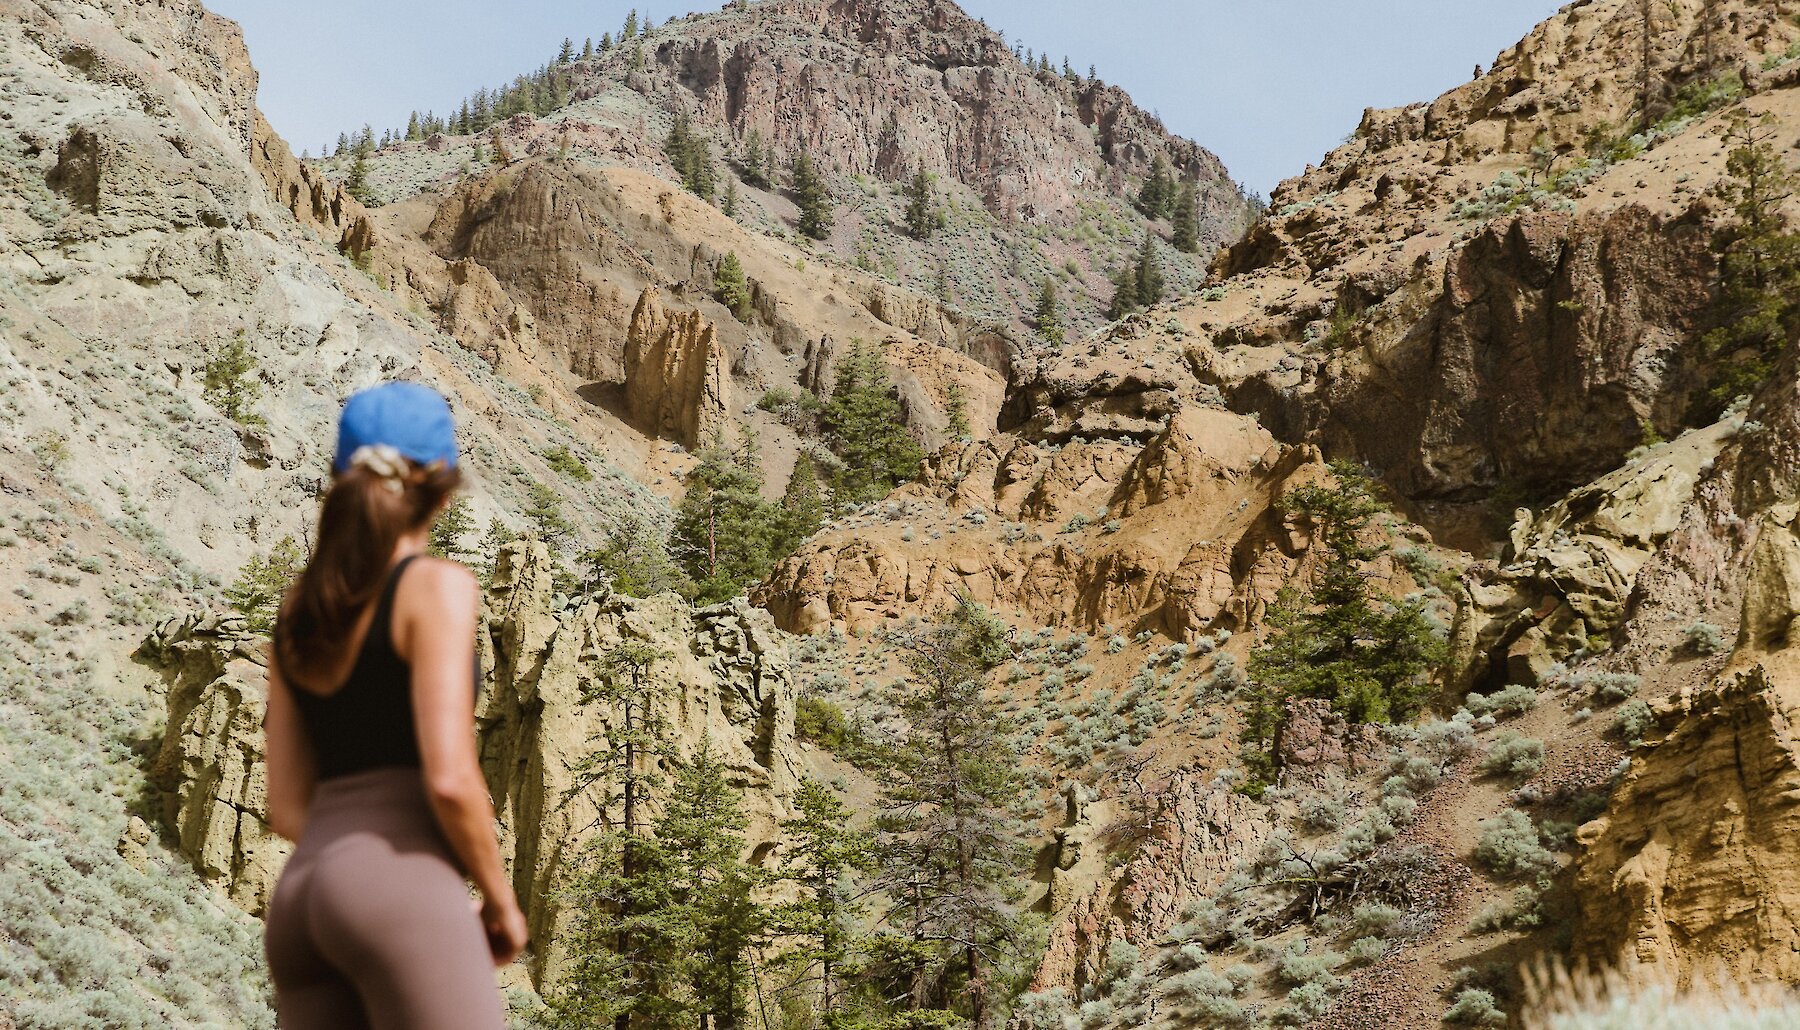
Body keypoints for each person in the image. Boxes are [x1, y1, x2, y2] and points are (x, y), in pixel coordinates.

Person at [261, 381, 527, 1028]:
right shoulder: (435, 588)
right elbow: (450, 777)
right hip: (397, 889)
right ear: (441, 489)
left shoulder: (299, 609)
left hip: (301, 905)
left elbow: (288, 805)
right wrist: (500, 904)